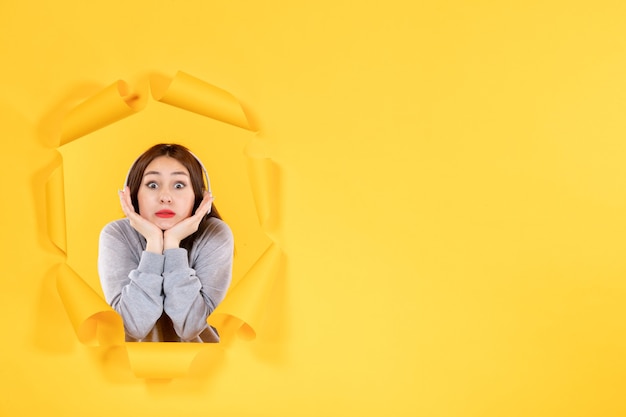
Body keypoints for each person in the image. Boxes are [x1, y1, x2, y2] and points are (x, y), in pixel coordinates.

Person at [98, 143, 234, 342]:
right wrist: (153, 244)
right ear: (133, 194)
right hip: (129, 368)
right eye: (152, 185)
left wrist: (172, 245)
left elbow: (190, 327)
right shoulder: (117, 234)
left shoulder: (214, 234)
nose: (165, 197)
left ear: (199, 196)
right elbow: (133, 326)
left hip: (202, 366)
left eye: (179, 185)